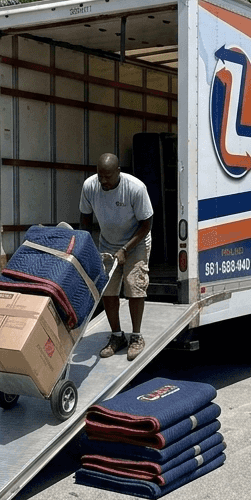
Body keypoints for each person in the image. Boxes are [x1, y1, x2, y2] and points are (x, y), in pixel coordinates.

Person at [79, 153, 154, 362]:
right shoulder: (90, 186)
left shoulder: (135, 188)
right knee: (108, 290)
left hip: (136, 241)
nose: (104, 181)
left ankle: (136, 337)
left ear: (119, 172)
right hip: (108, 242)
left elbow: (147, 224)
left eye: (108, 176)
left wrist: (126, 249)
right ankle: (117, 336)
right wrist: (87, 247)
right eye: (100, 175)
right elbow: (85, 219)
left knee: (134, 285)